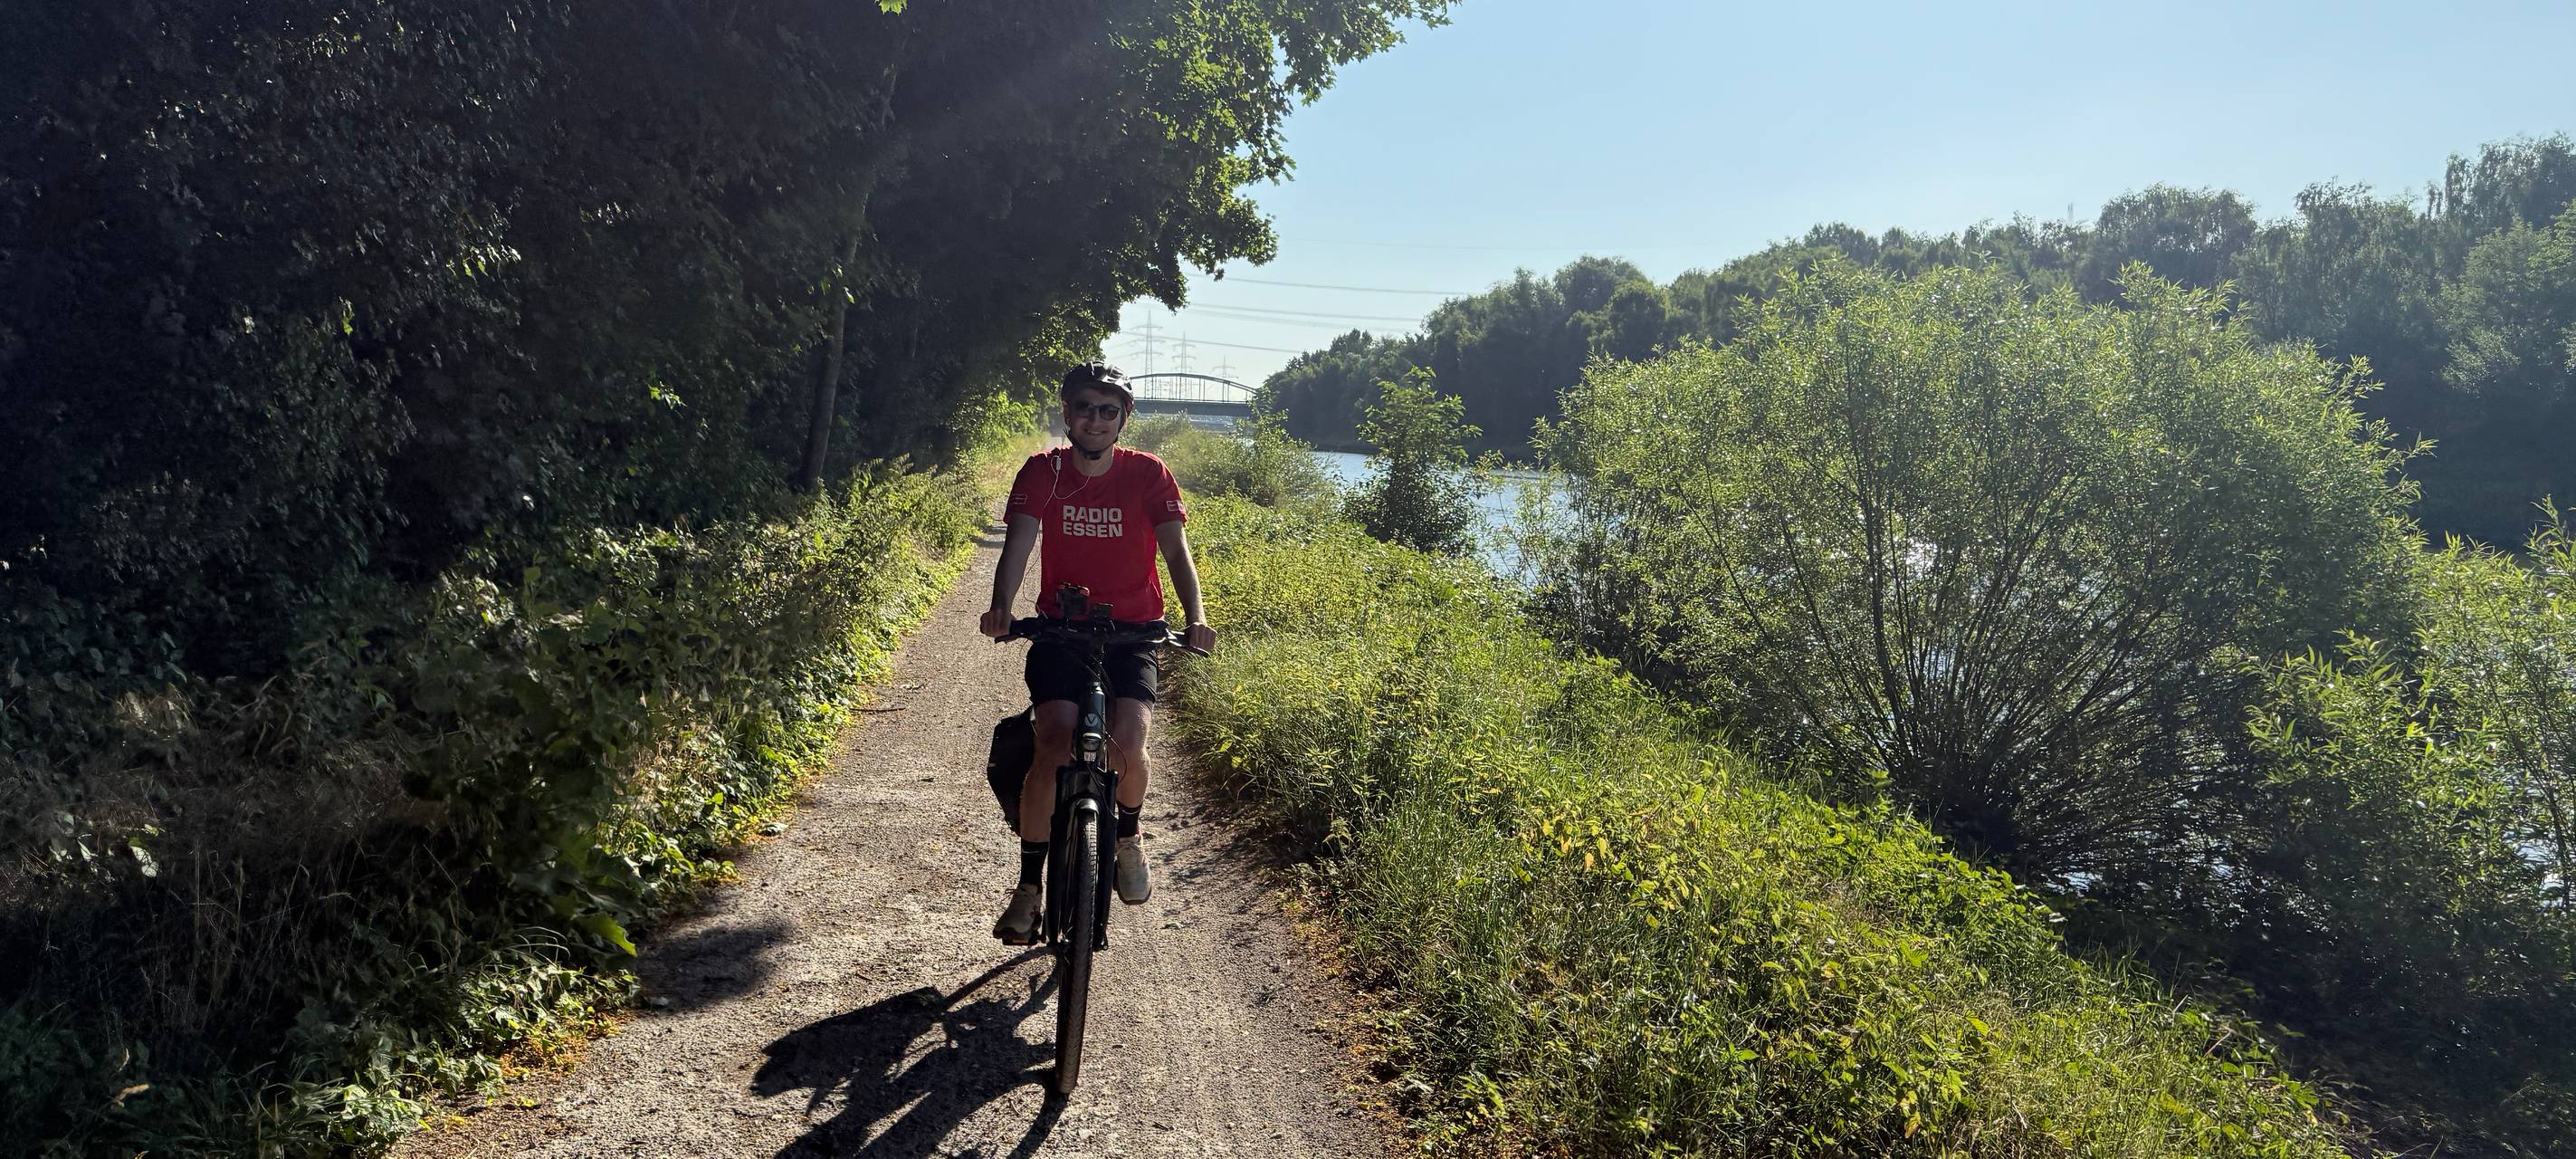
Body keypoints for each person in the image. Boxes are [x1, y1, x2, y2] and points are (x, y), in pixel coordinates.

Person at [978, 361, 1217, 944]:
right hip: (1062, 630)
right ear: (1067, 413)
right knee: (1053, 742)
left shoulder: (1148, 474)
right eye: (1084, 407)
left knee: (1128, 742)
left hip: (1135, 631)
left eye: (1108, 410)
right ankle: (1029, 889)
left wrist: (1196, 618)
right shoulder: (1044, 471)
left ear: (1123, 418)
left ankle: (1128, 838)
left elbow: (1176, 552)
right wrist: (1001, 606)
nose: (1095, 420)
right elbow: (1019, 545)